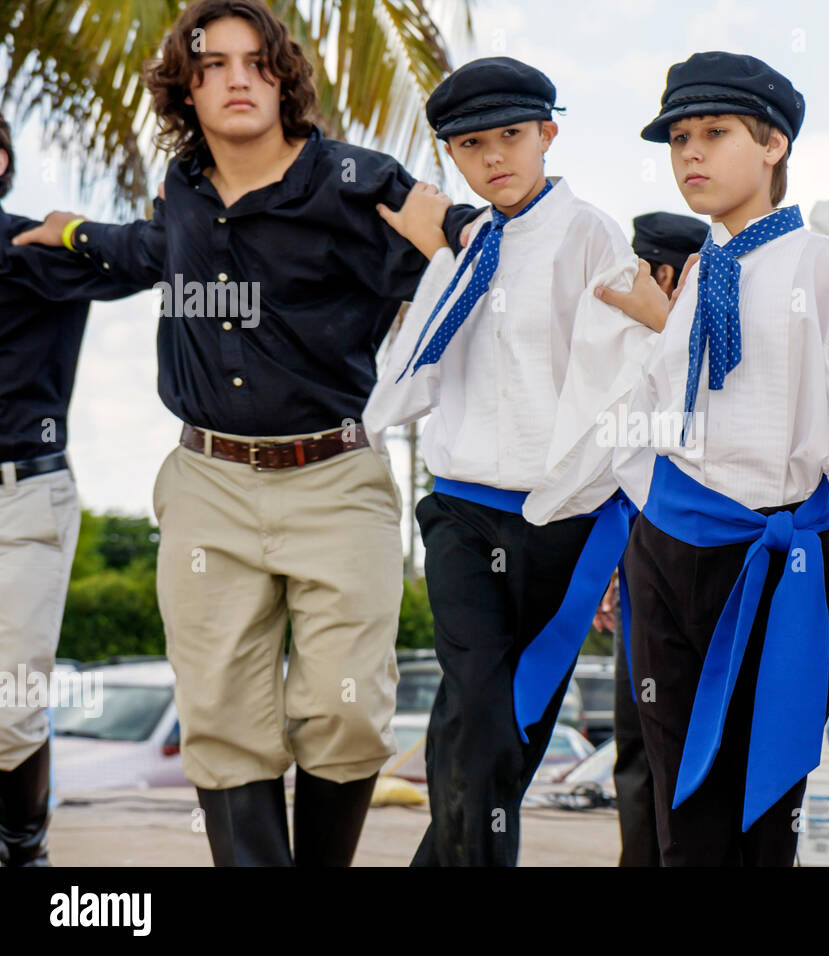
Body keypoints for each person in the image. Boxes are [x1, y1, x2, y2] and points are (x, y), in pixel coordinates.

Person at [13, 0, 431, 866]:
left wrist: (469, 225)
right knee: (222, 717)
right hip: (206, 483)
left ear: (284, 80)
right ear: (187, 90)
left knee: (347, 709)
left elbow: (458, 260)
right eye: (212, 66)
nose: (235, 79)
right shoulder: (185, 194)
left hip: (335, 475)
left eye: (254, 63)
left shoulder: (359, 183)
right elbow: (141, 250)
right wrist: (72, 231)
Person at [523, 51, 829, 865]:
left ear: (773, 145)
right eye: (677, 139)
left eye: (714, 133)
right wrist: (615, 537)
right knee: (678, 811)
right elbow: (653, 416)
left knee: (761, 813)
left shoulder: (822, 266)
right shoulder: (704, 273)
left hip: (771, 564)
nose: (690, 153)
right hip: (667, 553)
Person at [362, 55, 650, 867]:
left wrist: (628, 528)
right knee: (476, 708)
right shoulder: (463, 248)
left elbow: (625, 377)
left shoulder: (587, 232)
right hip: (457, 510)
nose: (494, 158)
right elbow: (414, 363)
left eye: (511, 136)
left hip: (558, 518)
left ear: (548, 134)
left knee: (505, 737)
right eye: (470, 145)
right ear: (451, 157)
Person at [0, 112, 141, 867]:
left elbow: (158, 256)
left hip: (21, 500)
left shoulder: (33, 251)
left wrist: (81, 232)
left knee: (10, 705)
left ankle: (25, 855)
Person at [596, 210, 708, 867]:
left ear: (662, 274)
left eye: (640, 271)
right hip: (644, 563)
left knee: (683, 745)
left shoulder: (688, 340)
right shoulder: (628, 350)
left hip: (708, 561)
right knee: (641, 750)